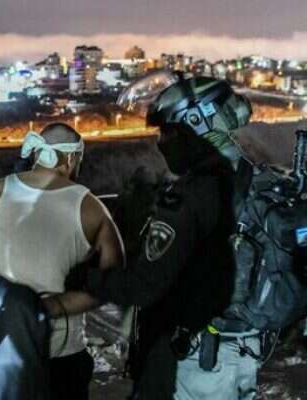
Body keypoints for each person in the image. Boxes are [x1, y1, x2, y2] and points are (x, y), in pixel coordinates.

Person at [73, 73, 259, 399]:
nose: (162, 142)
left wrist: (86, 277)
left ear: (196, 124)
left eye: (168, 132)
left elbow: (144, 286)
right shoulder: (251, 177)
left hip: (196, 358)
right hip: (243, 348)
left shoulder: (190, 195)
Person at [0, 123, 125, 400]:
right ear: (71, 158)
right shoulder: (88, 206)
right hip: (59, 357)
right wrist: (51, 306)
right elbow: (114, 279)